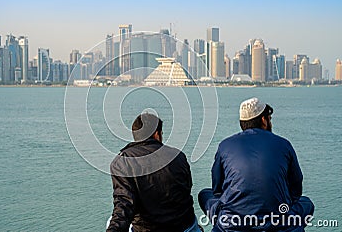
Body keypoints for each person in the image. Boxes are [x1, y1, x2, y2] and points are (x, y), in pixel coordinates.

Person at [198, 97, 314, 232]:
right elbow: (296, 188)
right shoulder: (284, 144)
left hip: (233, 223)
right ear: (264, 120)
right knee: (306, 203)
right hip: (279, 222)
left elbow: (217, 188)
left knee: (205, 195)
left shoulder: (225, 145)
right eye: (270, 119)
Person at [107, 113, 201, 232]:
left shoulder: (122, 162)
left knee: (110, 221)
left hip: (147, 228)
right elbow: (187, 188)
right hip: (184, 226)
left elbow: (124, 204)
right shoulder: (178, 156)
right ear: (156, 134)